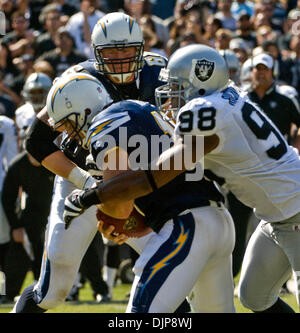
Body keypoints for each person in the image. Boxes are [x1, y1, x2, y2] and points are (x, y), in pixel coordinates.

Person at [64, 44, 300, 313]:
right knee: (254, 297)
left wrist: (89, 196)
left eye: (176, 86)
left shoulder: (203, 110)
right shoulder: (228, 97)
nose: (169, 96)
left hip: (295, 209)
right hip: (275, 215)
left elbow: (150, 179)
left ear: (200, 82)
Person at [11, 12, 168, 313]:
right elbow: (36, 141)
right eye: (111, 51)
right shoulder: (78, 81)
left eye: (127, 50)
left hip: (136, 184)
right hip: (81, 179)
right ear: (96, 52)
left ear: (140, 47)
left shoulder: (158, 76)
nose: (120, 58)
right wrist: (86, 183)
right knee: (54, 288)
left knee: (168, 265)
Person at [48, 72, 235, 313]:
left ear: (84, 111)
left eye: (69, 124)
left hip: (186, 226)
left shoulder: (103, 125)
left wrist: (108, 216)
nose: (70, 135)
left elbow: (121, 202)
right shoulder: (140, 108)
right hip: (218, 219)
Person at [1, 150, 55, 303]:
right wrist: (15, 226)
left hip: (56, 212)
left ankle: (99, 291)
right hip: (31, 214)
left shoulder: (54, 159)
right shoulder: (18, 166)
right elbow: (7, 198)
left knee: (53, 254)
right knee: (18, 252)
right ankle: (8, 294)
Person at [0, 114, 18, 303]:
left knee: (2, 245)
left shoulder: (5, 124)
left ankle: (2, 290)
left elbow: (12, 157)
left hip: (0, 187)